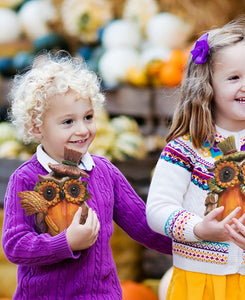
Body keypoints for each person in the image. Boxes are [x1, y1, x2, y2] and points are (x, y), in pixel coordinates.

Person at [146, 15, 245, 300]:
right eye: (234, 78)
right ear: (207, 87)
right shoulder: (186, 149)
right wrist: (198, 228)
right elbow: (157, 208)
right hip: (197, 283)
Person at [2, 51, 172, 300]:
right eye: (68, 122)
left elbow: (144, 226)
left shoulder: (104, 172)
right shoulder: (25, 179)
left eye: (88, 117)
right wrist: (66, 242)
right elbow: (15, 245)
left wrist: (194, 242)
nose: (82, 129)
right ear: (37, 127)